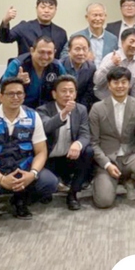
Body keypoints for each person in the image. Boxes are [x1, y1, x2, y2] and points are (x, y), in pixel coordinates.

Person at [0, 77, 58, 224]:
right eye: (10, 94)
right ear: (0, 96)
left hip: (23, 169)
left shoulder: (33, 116)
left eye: (19, 93)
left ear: (24, 96)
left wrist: (32, 174)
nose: (15, 97)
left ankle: (21, 199)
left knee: (50, 183)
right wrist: (2, 179)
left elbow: (41, 151)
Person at [89, 67, 135, 207]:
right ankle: (102, 182)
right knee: (103, 202)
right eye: (116, 82)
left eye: (124, 82)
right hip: (107, 158)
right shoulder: (97, 108)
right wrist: (107, 164)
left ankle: (129, 182)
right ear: (109, 85)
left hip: (131, 155)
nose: (120, 86)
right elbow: (93, 143)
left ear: (129, 84)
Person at [37, 75, 93, 211]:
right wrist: (64, 113)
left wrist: (78, 144)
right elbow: (46, 127)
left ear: (75, 94)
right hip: (48, 159)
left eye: (71, 91)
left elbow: (85, 134)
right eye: (63, 91)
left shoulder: (81, 109)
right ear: (54, 94)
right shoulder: (43, 110)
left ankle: (73, 194)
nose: (68, 94)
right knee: (43, 191)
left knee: (88, 151)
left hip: (69, 157)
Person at [0, 36, 66, 109]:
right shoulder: (17, 64)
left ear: (54, 52)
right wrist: (16, 81)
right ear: (32, 51)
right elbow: (0, 96)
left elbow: (67, 86)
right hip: (15, 108)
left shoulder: (57, 67)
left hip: (43, 109)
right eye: (41, 52)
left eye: (49, 53)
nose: (45, 57)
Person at [0, 0, 68, 57]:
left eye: (51, 8)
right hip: (27, 66)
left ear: (55, 10)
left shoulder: (61, 33)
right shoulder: (24, 27)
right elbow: (4, 39)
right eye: (43, 7)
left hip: (53, 67)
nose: (46, 11)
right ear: (36, 8)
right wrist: (5, 21)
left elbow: (64, 56)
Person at [60, 3, 118, 68]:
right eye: (94, 15)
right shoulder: (76, 36)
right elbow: (63, 56)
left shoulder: (112, 38)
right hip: (83, 73)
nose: (98, 18)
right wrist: (80, 57)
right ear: (86, 17)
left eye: (101, 15)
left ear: (105, 16)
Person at [94, 28, 135, 101]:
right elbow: (96, 81)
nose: (134, 45)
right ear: (122, 42)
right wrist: (111, 64)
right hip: (102, 101)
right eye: (131, 41)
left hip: (123, 102)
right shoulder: (110, 57)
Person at [61, 35, 96, 110]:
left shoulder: (91, 68)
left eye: (84, 49)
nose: (81, 53)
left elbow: (88, 93)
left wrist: (79, 109)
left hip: (79, 107)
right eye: (77, 49)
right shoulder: (60, 65)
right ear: (69, 51)